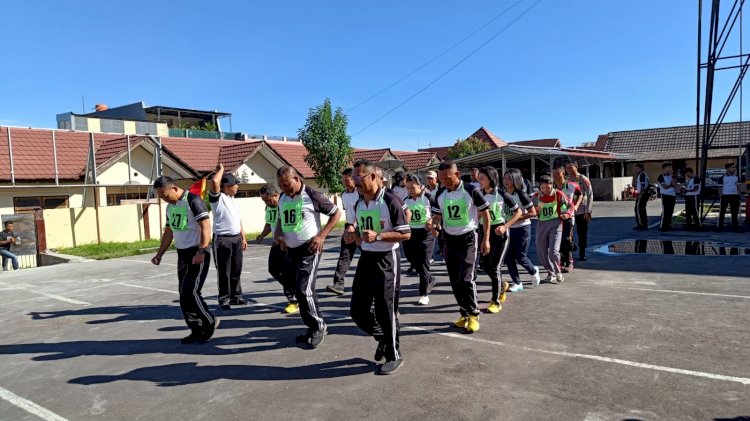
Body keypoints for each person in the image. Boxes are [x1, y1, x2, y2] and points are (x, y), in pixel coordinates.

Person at [345, 160, 411, 375]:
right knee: (357, 310)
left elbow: (406, 233)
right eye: (354, 178)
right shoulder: (359, 202)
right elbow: (360, 233)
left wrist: (379, 235)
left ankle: (394, 355)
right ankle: (382, 337)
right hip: (366, 258)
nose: (355, 182)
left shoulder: (391, 200)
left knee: (385, 310)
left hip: (386, 259)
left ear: (373, 177)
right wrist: (353, 235)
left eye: (359, 177)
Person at [274, 166, 341, 349]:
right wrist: (278, 234)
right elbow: (281, 219)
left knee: (305, 289)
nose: (284, 188)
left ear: (296, 179)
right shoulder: (283, 198)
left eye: (287, 184)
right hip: (291, 250)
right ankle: (311, 327)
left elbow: (336, 213)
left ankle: (319, 326)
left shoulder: (312, 195)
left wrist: (321, 236)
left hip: (309, 249)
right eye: (281, 185)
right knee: (298, 290)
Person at [151, 176, 218, 344]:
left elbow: (205, 226)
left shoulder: (193, 200)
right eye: (160, 196)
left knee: (191, 291)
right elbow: (169, 231)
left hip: (198, 251)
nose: (164, 199)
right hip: (183, 254)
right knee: (183, 294)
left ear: (174, 188)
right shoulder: (170, 207)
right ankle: (195, 329)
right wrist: (160, 253)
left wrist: (202, 250)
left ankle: (209, 322)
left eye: (165, 195)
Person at [431, 161, 491, 333]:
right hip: (449, 240)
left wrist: (486, 239)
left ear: (456, 175)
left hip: (468, 239)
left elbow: (486, 214)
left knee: (466, 278)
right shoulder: (441, 193)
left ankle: (473, 314)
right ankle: (464, 313)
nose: (443, 181)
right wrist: (434, 226)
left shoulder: (471, 190)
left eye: (447, 178)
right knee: (455, 280)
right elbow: (437, 216)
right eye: (441, 178)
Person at [477, 167, 521, 313]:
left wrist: (505, 226)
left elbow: (518, 211)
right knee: (484, 265)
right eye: (479, 178)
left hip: (499, 233)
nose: (479, 181)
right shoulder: (477, 194)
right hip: (483, 232)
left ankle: (495, 301)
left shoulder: (502, 194)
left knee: (495, 267)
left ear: (490, 179)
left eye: (482, 178)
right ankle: (502, 285)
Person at [208, 163, 247, 310]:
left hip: (236, 238)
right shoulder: (217, 200)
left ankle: (236, 296)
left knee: (236, 269)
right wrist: (221, 170)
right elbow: (214, 182)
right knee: (224, 271)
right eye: (235, 184)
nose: (237, 187)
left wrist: (243, 237)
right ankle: (223, 298)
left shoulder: (232, 200)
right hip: (222, 240)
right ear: (227, 186)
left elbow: (238, 219)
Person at [255, 184, 298, 314]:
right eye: (264, 201)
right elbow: (269, 223)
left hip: (286, 243)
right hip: (276, 243)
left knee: (287, 270)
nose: (267, 203)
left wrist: (286, 238)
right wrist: (262, 235)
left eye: (268, 200)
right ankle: (294, 290)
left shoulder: (285, 204)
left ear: (276, 195)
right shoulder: (268, 208)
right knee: (273, 269)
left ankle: (293, 300)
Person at [502, 169, 540, 292]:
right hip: (508, 229)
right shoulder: (501, 194)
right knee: (508, 258)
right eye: (505, 178)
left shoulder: (521, 195)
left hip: (522, 228)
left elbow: (533, 213)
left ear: (515, 180)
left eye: (509, 179)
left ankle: (533, 271)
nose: (506, 181)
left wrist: (516, 219)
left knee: (520, 257)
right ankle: (517, 283)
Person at [534, 175, 575, 283]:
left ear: (553, 186)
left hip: (555, 224)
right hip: (541, 224)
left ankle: (558, 271)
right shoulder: (535, 196)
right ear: (540, 187)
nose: (546, 190)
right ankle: (550, 272)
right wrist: (535, 210)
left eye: (548, 188)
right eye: (543, 188)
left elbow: (571, 205)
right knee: (541, 250)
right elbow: (527, 209)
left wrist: (567, 214)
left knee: (553, 251)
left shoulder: (558, 194)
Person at [327, 168, 360, 296]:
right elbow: (348, 211)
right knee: (345, 255)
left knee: (370, 256)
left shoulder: (361, 193)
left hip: (361, 227)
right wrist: (349, 226)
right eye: (343, 180)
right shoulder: (344, 194)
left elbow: (362, 210)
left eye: (347, 180)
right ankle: (338, 284)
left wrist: (355, 226)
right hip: (349, 226)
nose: (345, 183)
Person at [403, 174, 435, 305]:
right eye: (408, 188)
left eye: (412, 187)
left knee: (423, 262)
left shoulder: (428, 198)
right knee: (411, 258)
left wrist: (431, 220)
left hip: (426, 233)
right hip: (411, 233)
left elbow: (438, 213)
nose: (410, 190)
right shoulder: (406, 200)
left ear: (420, 186)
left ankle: (423, 294)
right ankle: (430, 278)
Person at [552, 166, 582, 273]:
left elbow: (580, 194)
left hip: (568, 216)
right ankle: (561, 262)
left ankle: (569, 262)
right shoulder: (551, 187)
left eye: (558, 174)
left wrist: (576, 206)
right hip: (555, 217)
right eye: (554, 174)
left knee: (566, 238)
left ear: (563, 174)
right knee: (557, 240)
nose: (555, 176)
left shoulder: (572, 185)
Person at [565, 162, 593, 261]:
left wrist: (588, 211)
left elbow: (590, 195)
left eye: (570, 167)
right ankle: (570, 250)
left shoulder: (583, 179)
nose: (568, 169)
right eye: (567, 167)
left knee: (582, 233)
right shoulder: (566, 180)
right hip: (570, 210)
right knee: (568, 233)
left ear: (576, 167)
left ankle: (582, 253)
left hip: (582, 209)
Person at [718, 163, 741, 232]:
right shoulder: (722, 178)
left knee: (734, 211)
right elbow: (720, 187)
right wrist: (720, 195)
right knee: (722, 211)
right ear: (728, 168)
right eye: (733, 167)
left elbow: (738, 187)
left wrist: (739, 195)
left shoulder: (737, 177)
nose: (734, 169)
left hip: (734, 195)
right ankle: (720, 226)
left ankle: (735, 226)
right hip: (725, 195)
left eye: (735, 167)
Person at [657, 162, 677, 232]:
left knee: (670, 211)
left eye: (671, 167)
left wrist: (673, 177)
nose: (670, 169)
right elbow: (665, 186)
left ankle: (668, 225)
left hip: (672, 195)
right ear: (664, 168)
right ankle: (662, 226)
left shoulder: (671, 176)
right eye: (669, 167)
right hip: (665, 195)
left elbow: (674, 184)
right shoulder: (661, 177)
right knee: (665, 211)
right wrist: (671, 185)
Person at [633, 163, 650, 230]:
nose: (635, 170)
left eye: (637, 169)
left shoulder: (642, 175)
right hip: (644, 194)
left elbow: (642, 185)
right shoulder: (644, 175)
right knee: (642, 209)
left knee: (638, 209)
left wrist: (640, 194)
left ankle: (641, 224)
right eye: (635, 169)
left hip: (642, 194)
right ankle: (644, 224)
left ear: (641, 169)